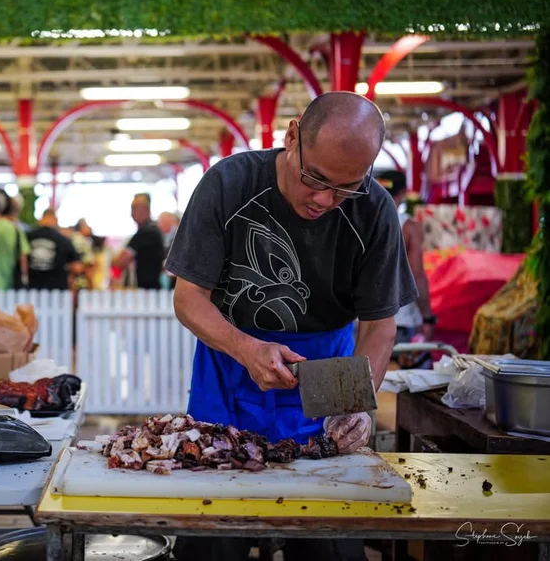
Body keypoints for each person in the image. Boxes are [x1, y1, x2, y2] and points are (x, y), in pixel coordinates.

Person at [165, 92, 416, 561]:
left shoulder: (375, 210)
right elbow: (188, 298)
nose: (325, 200)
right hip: (227, 380)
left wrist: (359, 406)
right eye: (315, 178)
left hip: (329, 384)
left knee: (329, 544)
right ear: (292, 135)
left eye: (346, 188)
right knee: (212, 543)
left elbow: (380, 326)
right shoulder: (229, 184)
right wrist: (245, 348)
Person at [376, 170, 436, 345]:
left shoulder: (358, 222)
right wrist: (427, 317)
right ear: (403, 192)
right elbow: (416, 275)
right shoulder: (409, 227)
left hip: (360, 320)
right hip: (400, 320)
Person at [112, 193, 165, 289]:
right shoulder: (153, 229)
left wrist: (114, 279)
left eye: (135, 208)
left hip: (148, 291)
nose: (132, 213)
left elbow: (121, 262)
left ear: (147, 210)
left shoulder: (146, 232)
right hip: (152, 288)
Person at [27, 209, 82, 290]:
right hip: (56, 289)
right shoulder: (63, 239)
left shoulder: (27, 236)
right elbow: (77, 267)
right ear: (55, 219)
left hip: (32, 288)